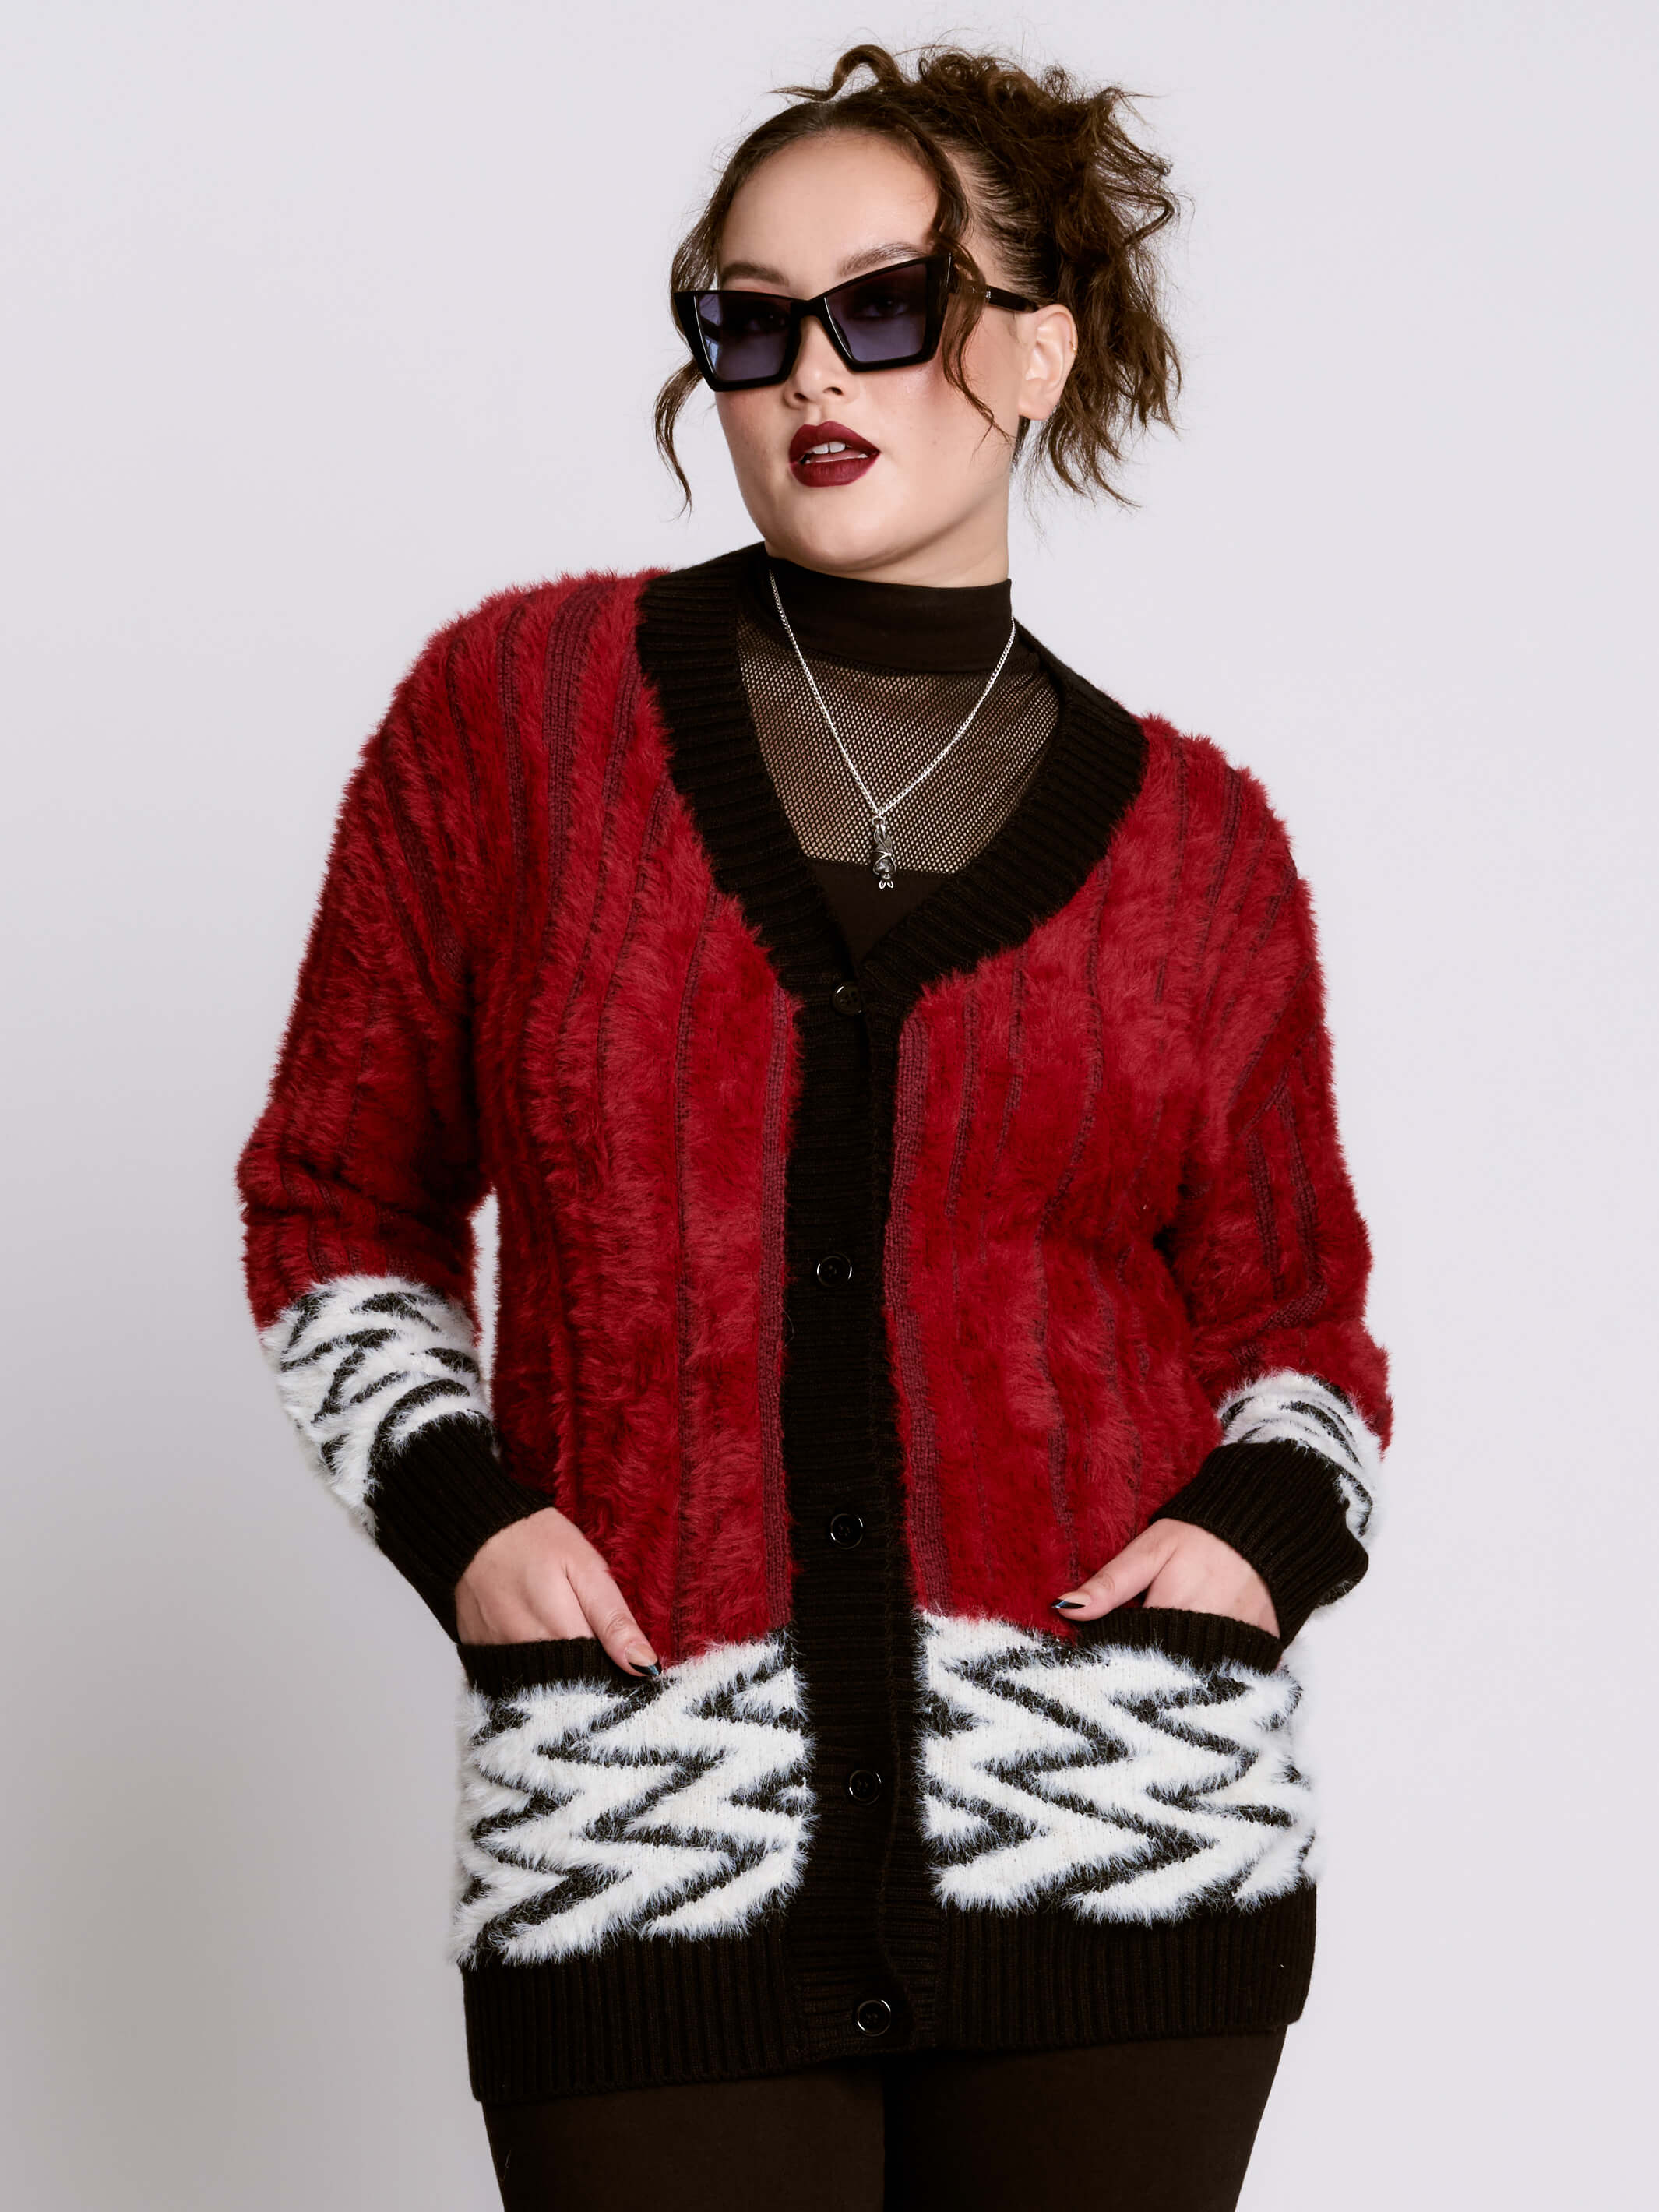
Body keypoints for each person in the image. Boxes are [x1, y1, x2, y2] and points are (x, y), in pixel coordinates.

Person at [237, 41, 1390, 2211]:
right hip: (635, 1827)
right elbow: (331, 1197)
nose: (811, 373)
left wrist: (1256, 1542)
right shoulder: (519, 719)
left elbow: (1299, 1320)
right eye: (747, 320)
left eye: (886, 304)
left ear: (1036, 349)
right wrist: (458, 1508)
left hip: (1125, 1836)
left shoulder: (1199, 845)